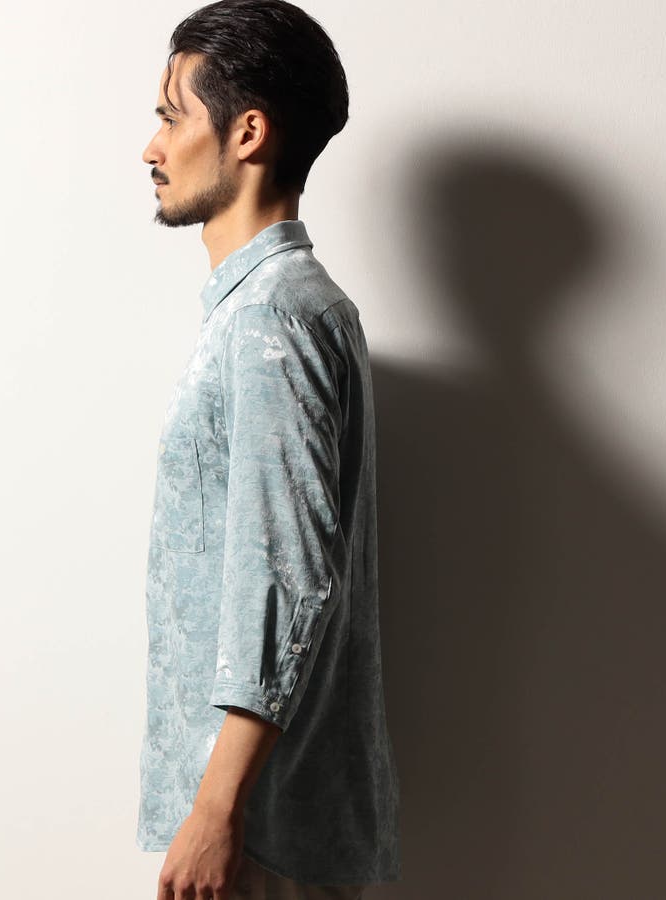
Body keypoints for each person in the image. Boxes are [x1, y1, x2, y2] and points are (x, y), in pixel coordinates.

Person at [135, 2, 401, 898]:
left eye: (171, 116)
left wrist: (216, 812)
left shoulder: (272, 318)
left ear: (247, 133)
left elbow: (285, 574)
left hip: (259, 834)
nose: (151, 148)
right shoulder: (283, 309)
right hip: (268, 825)